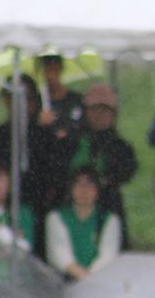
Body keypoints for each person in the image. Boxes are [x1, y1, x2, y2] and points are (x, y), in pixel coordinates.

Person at [0, 74, 62, 254]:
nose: (21, 104)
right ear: (5, 100)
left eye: (27, 98)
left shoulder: (46, 138)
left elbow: (55, 178)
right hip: (1, 208)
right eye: (13, 97)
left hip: (38, 210)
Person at [58, 84, 137, 248]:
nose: (99, 115)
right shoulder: (70, 142)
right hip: (71, 207)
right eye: (94, 110)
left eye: (105, 110)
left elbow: (126, 172)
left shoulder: (121, 147)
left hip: (107, 208)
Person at [46, 167, 122, 281]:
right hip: (63, 282)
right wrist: (83, 278)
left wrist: (89, 281)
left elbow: (108, 257)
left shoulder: (110, 220)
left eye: (90, 185)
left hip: (98, 281)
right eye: (79, 185)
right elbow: (60, 256)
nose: (84, 190)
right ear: (71, 189)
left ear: (97, 191)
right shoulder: (56, 217)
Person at [35, 54, 85, 142]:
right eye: (47, 70)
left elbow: (83, 128)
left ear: (61, 69)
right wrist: (40, 124)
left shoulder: (76, 99)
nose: (51, 75)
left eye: (54, 70)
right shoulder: (37, 102)